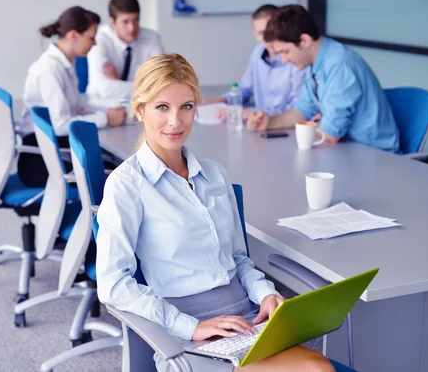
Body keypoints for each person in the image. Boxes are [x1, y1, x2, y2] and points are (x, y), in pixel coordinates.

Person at [96, 53, 335, 372]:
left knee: (317, 366)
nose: (175, 122)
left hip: (248, 321)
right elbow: (112, 284)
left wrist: (266, 294)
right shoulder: (126, 185)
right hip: (187, 337)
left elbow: (238, 259)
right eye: (162, 107)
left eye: (186, 107)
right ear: (140, 110)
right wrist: (191, 327)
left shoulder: (215, 176)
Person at [247, 5, 400, 153]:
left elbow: (330, 133)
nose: (284, 60)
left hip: (375, 155)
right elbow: (303, 112)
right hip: (346, 151)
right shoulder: (312, 65)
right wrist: (269, 122)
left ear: (304, 41)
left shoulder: (340, 63)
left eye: (286, 51)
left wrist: (317, 123)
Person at [19, 6, 126, 187]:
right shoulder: (49, 70)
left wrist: (107, 112)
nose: (95, 44)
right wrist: (106, 118)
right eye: (91, 37)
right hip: (40, 160)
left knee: (118, 165)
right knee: (121, 175)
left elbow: (76, 107)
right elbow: (61, 125)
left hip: (54, 150)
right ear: (74, 35)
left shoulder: (64, 63)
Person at [205, 4, 305, 121]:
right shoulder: (258, 51)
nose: (267, 38)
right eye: (261, 33)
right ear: (254, 34)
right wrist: (221, 100)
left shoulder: (295, 58)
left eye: (270, 31)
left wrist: (246, 113)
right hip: (258, 125)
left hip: (284, 127)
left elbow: (296, 110)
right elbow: (245, 88)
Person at [86, 0, 165, 99]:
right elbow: (105, 88)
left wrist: (116, 82)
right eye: (125, 22)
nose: (132, 28)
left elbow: (161, 84)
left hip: (139, 105)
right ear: (113, 22)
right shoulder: (99, 38)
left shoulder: (152, 38)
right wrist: (146, 87)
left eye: (136, 20)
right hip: (101, 104)